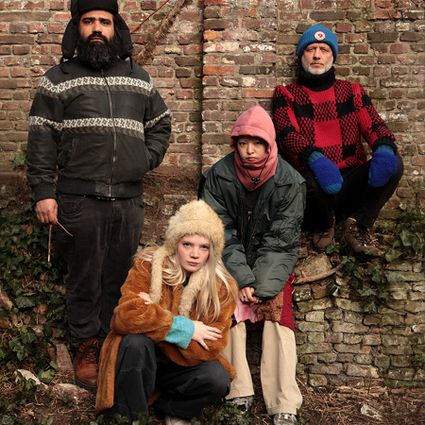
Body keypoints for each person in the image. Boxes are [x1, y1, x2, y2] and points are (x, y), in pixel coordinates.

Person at [26, 0, 171, 390]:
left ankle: (114, 347)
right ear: (77, 28)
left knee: (121, 279)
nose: (96, 28)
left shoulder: (139, 79)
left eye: (104, 22)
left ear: (115, 28)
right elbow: (41, 139)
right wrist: (43, 192)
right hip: (79, 199)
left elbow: (161, 124)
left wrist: (144, 158)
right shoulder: (57, 80)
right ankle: (87, 348)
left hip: (128, 200)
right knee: (84, 280)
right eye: (88, 21)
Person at [201, 105, 306, 425]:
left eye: (257, 143)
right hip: (228, 258)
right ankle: (238, 391)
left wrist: (261, 286)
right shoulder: (218, 176)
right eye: (243, 142)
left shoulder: (289, 181)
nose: (249, 150)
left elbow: (282, 241)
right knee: (226, 300)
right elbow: (218, 233)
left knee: (277, 310)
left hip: (272, 260)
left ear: (269, 145)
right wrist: (242, 279)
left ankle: (283, 402)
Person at [95, 200, 238, 425]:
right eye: (187, 244)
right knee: (135, 343)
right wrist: (185, 329)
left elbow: (211, 347)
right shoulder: (148, 265)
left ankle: (172, 408)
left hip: (178, 369)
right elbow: (125, 318)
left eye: (204, 247)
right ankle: (130, 418)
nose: (195, 254)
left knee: (217, 378)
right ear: (174, 243)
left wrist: (151, 317)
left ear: (212, 251)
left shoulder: (223, 287)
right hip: (140, 359)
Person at [272, 24, 403, 254]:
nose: (316, 55)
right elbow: (286, 135)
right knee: (303, 182)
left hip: (350, 181)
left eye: (323, 50)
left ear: (332, 56)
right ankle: (324, 225)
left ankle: (359, 225)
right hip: (315, 183)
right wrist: (316, 159)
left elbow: (375, 124)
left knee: (395, 163)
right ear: (301, 56)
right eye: (310, 49)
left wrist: (384, 147)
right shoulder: (287, 94)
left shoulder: (352, 91)